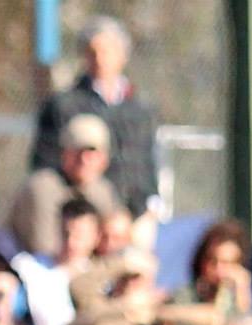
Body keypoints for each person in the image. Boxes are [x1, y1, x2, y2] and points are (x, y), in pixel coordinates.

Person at [30, 15, 159, 222]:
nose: (100, 58)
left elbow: (147, 164)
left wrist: (141, 208)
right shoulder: (64, 105)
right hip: (81, 214)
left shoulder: (140, 109)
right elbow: (45, 165)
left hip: (133, 215)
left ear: (122, 55)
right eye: (92, 52)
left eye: (107, 51)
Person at [6, 114, 122, 260]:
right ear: (64, 154)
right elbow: (44, 248)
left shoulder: (103, 190)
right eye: (78, 152)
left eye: (92, 153)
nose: (84, 160)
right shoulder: (43, 186)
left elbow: (113, 242)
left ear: (104, 159)